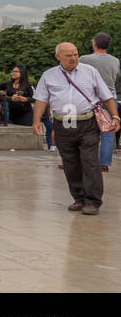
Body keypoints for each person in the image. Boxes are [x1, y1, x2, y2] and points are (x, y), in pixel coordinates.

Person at [33, 42, 120, 215]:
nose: (73, 58)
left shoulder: (90, 71)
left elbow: (107, 96)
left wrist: (115, 116)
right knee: (70, 164)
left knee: (90, 162)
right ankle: (79, 198)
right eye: (68, 55)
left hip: (87, 123)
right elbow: (41, 100)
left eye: (75, 54)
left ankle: (93, 201)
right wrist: (36, 121)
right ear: (58, 57)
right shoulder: (48, 75)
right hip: (63, 124)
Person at [80, 34, 119, 172]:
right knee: (107, 132)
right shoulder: (115, 61)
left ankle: (82, 160)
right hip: (110, 99)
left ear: (94, 43)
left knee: (83, 130)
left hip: (90, 99)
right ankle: (104, 163)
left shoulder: (84, 59)